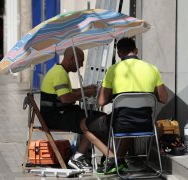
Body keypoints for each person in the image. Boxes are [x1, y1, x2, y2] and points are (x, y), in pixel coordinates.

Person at [80, 37, 168, 174]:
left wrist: (115, 98)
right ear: (136, 50)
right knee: (129, 120)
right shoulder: (152, 69)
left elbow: (101, 102)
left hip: (120, 124)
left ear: (119, 53)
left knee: (84, 124)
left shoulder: (113, 70)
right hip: (145, 124)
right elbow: (163, 98)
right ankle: (118, 160)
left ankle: (111, 158)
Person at [40, 46, 105, 171]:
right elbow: (65, 98)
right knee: (93, 121)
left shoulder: (60, 70)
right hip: (55, 116)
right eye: (80, 61)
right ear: (71, 59)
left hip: (59, 113)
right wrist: (85, 93)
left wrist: (85, 89)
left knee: (98, 117)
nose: (81, 65)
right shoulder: (59, 73)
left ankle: (82, 155)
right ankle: (78, 157)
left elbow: (67, 92)